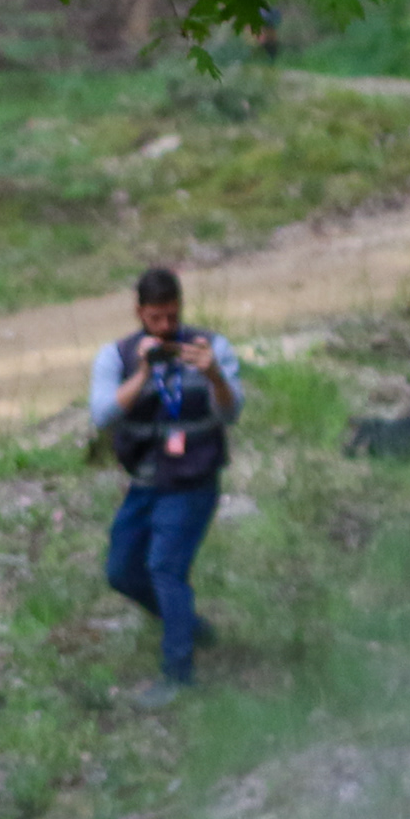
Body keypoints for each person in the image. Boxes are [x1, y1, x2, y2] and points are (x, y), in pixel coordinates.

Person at [87, 266, 242, 710]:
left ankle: (179, 673)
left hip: (194, 480)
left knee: (165, 568)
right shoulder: (116, 357)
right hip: (146, 482)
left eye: (172, 316)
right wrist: (141, 373)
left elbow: (232, 413)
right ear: (139, 313)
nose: (165, 327)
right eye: (155, 318)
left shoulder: (211, 347)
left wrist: (214, 376)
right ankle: (187, 623)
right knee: (121, 570)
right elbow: (101, 415)